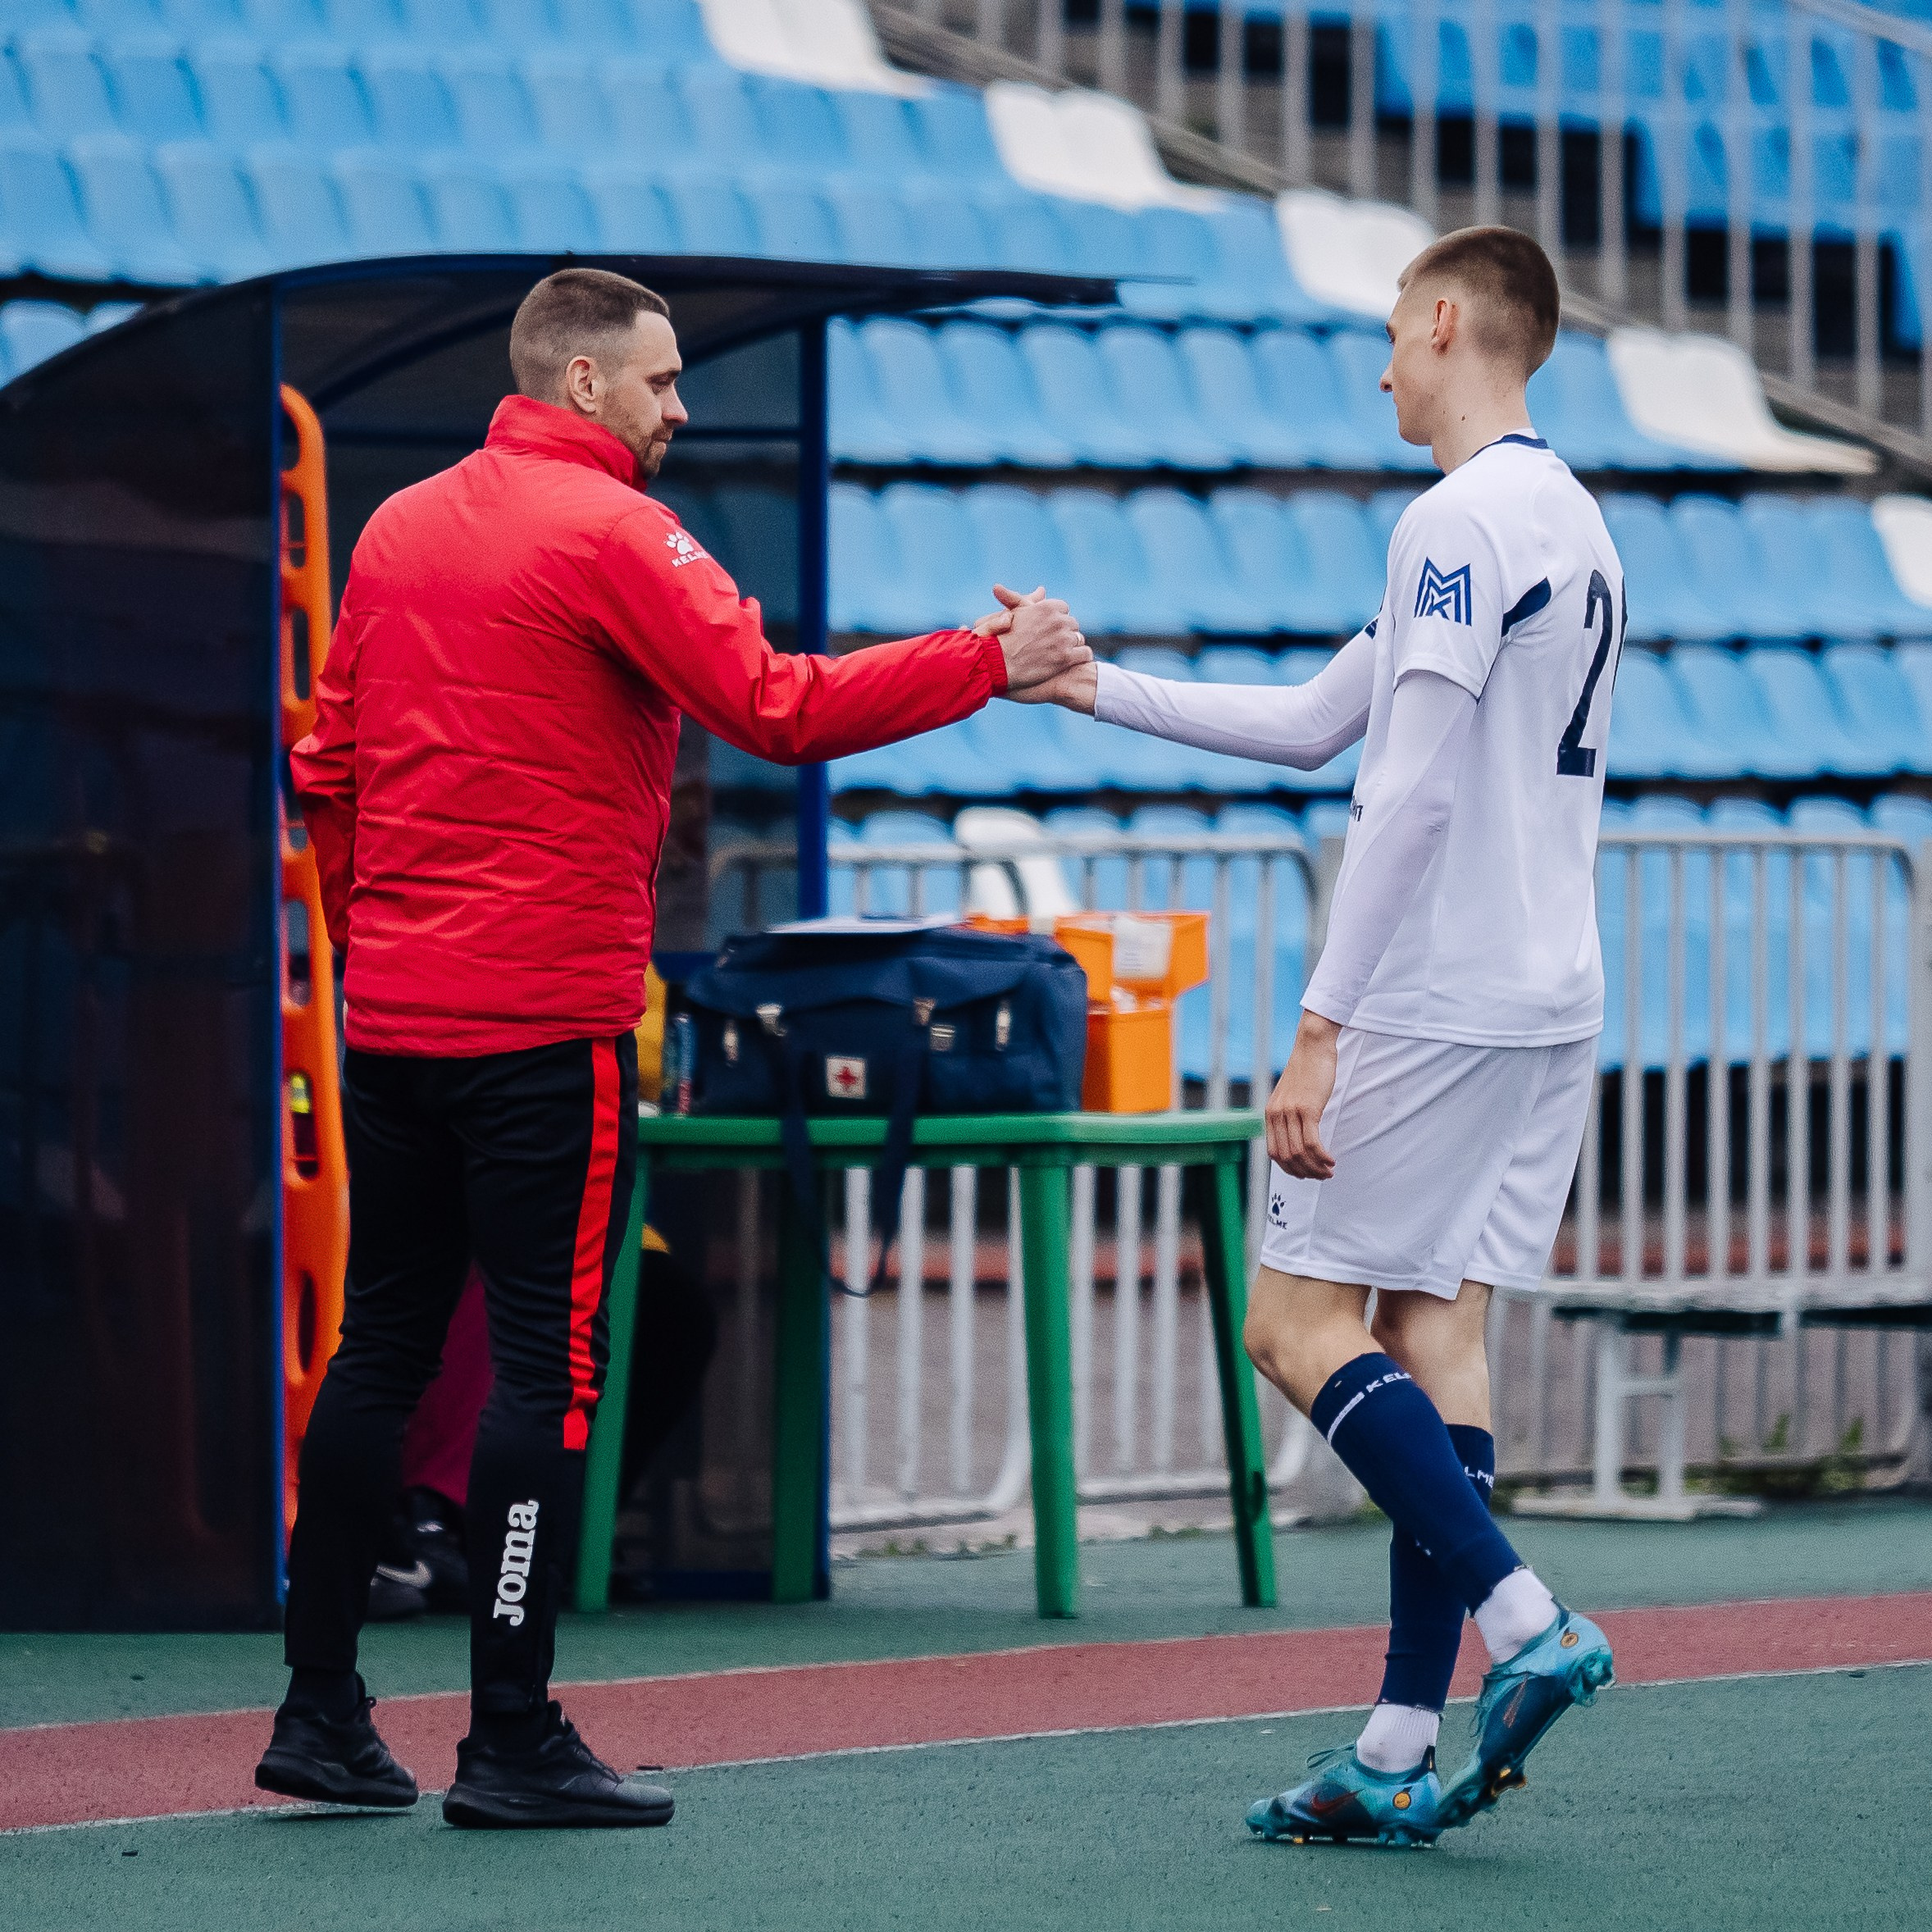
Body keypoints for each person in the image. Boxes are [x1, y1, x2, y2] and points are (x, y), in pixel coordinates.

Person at [257, 267, 1091, 1829]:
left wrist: (378, 953)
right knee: (543, 1372)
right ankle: (510, 1736)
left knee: (379, 1350)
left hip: (400, 1022)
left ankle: (319, 1712)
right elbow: (776, 708)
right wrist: (991, 662)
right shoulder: (616, 532)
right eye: (660, 380)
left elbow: (329, 768)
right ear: (582, 382)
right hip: (542, 1026)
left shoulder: (397, 529)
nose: (682, 408)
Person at [1037, 227, 1620, 1846]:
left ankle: (1524, 1621)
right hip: (1550, 991)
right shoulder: (1570, 519)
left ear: (1445, 322)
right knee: (1434, 1332)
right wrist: (1094, 688)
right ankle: (1393, 1743)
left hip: (1433, 996)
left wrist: (1318, 1031)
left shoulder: (1452, 522)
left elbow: (1404, 792)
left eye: (1390, 332)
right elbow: (1314, 723)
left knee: (1290, 1323)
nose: (1378, 370)